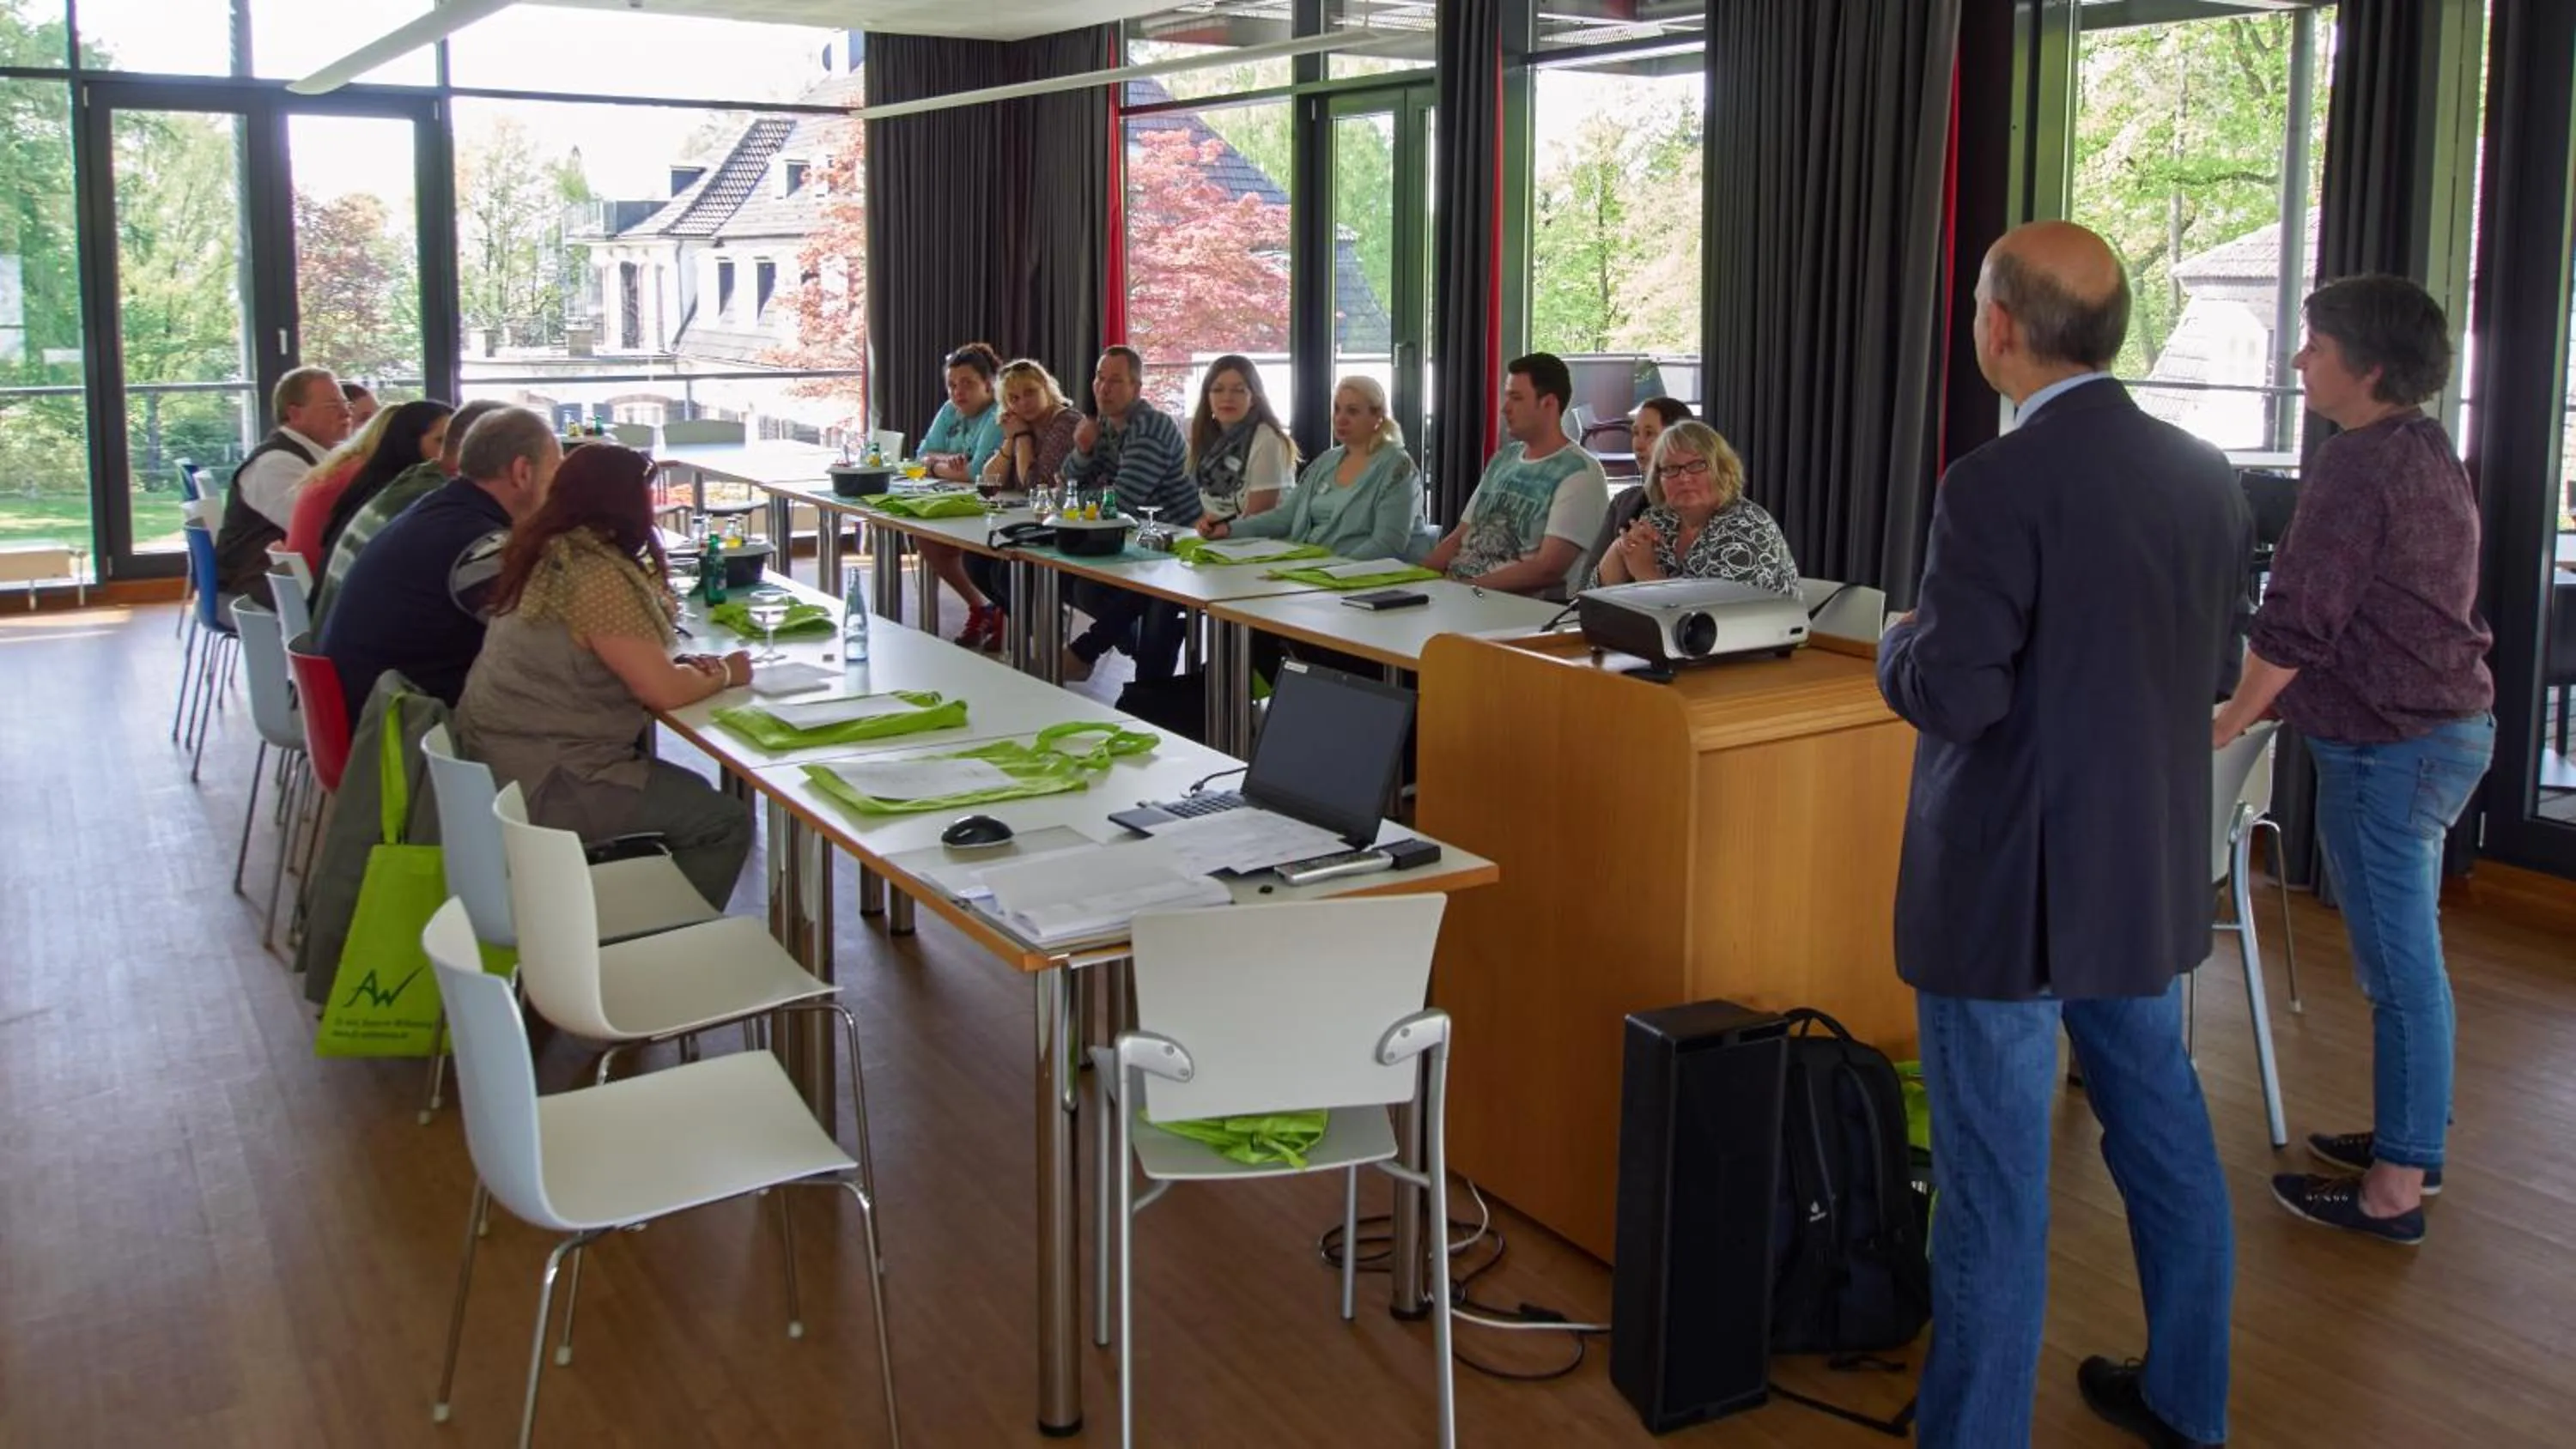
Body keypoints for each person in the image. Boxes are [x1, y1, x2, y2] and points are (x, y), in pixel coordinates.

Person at [1875, 221, 2250, 1449]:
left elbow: (1959, 695)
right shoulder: (2205, 473)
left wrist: (1897, 644)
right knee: (2165, 1138)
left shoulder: (1993, 483)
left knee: (1994, 1186)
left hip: (2007, 889)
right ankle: (2190, 1400)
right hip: (2140, 874)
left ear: (2000, 326)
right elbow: (2212, 672)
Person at [2215, 275, 2495, 1246]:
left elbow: (2299, 620)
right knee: (2406, 958)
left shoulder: (2358, 464)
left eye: (2316, 346)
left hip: (2393, 746)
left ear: (2369, 368)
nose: (2300, 361)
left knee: (2399, 969)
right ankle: (2411, 1144)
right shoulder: (2424, 446)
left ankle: (2394, 1190)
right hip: (2436, 731)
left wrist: (2230, 718)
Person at [457, 444, 753, 911]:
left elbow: (616, 659)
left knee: (691, 792)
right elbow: (661, 690)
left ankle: (638, 919)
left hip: (501, 759)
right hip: (551, 776)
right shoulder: (595, 574)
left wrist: (674, 669)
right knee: (723, 822)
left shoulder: (545, 550)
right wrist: (726, 673)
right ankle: (663, 936)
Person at [320, 406, 561, 710]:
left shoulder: (439, 511)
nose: (557, 490)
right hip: (399, 726)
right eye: (555, 473)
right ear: (522, 472)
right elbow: (552, 633)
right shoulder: (476, 544)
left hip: (368, 706)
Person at [1059, 345, 1200, 683]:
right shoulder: (1105, 426)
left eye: (1115, 381)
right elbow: (1068, 480)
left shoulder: (1150, 428)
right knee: (1072, 582)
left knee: (1139, 599)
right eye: (1099, 378)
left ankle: (1128, 674)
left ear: (1136, 388)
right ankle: (1137, 657)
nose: (1103, 388)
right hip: (1135, 540)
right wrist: (1083, 450)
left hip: (1176, 542)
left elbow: (1121, 501)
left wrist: (1069, 497)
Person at [1422, 353, 1609, 598]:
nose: (1505, 408)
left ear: (1549, 404)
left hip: (1505, 604)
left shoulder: (1580, 472)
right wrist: (1416, 582)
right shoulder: (1504, 459)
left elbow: (1548, 569)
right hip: (1461, 594)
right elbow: (1459, 536)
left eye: (1516, 398)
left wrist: (1461, 590)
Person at [313, 398, 506, 624]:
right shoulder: (431, 504)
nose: (445, 450)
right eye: (440, 441)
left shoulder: (407, 487)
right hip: (363, 641)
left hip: (337, 635)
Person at [1198, 375, 1417, 562]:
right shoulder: (1327, 461)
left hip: (1355, 576)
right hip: (1311, 569)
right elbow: (1285, 517)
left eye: (1352, 411)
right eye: (1337, 409)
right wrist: (1229, 529)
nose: (1341, 419)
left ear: (1377, 416)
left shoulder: (1397, 466)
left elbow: (1388, 544)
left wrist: (1336, 570)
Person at [949, 358, 1086, 652]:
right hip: (1032, 521)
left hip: (1072, 522)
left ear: (1047, 388)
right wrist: (1011, 440)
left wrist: (1021, 437)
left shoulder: (1066, 422)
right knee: (974, 561)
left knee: (1006, 572)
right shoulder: (1022, 425)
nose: (1023, 402)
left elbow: (1036, 486)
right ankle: (1030, 625)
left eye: (1030, 392)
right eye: (1013, 398)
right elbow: (989, 481)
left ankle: (1040, 633)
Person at [1594, 421, 1798, 592]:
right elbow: (1592, 598)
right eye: (1671, 468)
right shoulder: (1660, 519)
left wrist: (1645, 573)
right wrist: (1623, 547)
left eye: (1697, 465)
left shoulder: (1749, 528)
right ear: (1658, 480)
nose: (1684, 478)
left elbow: (1708, 619)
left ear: (1723, 470)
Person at [214, 367, 350, 610]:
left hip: (287, 580)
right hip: (255, 588)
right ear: (294, 413)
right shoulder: (275, 464)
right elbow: (323, 530)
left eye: (345, 404)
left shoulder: (318, 456)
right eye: (332, 406)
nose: (345, 413)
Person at [915, 343, 1012, 648]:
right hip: (958, 500)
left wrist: (935, 466)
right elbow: (920, 454)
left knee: (976, 555)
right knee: (925, 537)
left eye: (967, 383)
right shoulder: (950, 410)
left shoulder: (998, 414)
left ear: (989, 384)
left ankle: (1006, 612)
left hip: (999, 506)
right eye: (952, 385)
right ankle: (981, 608)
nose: (958, 392)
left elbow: (977, 473)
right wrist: (944, 462)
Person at [287, 401, 452, 576]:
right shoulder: (389, 490)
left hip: (321, 579)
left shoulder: (353, 470)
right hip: (329, 578)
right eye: (441, 441)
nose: (453, 452)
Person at [277, 406, 398, 576]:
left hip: (316, 577)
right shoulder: (365, 475)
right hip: (329, 581)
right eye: (435, 440)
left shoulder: (342, 466)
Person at [1185, 355, 1296, 528]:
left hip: (1264, 538)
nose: (1227, 397)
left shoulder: (1268, 440)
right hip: (1224, 537)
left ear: (1253, 398)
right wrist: (1206, 527)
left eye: (1239, 390)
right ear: (1207, 397)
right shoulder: (1207, 436)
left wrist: (1222, 530)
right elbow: (1211, 510)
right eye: (1218, 390)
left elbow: (1259, 517)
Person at [1604, 396, 1693, 541]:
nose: (1638, 445)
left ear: (1678, 440)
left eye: (1649, 434)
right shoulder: (1622, 502)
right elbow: (1596, 557)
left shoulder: (1695, 506)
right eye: (1635, 433)